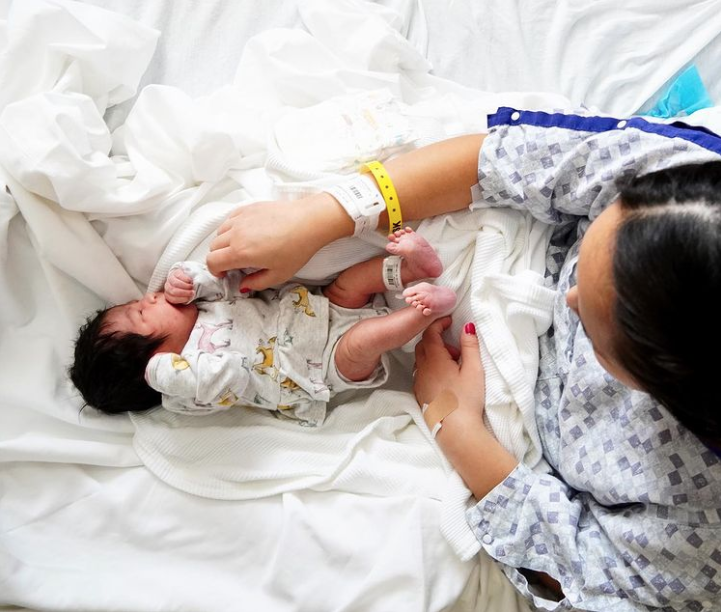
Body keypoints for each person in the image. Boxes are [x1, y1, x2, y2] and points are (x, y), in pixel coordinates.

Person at [205, 107, 721, 611]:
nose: (570, 298)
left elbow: (582, 568)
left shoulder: (697, 535)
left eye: (593, 322)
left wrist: (454, 426)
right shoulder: (684, 178)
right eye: (588, 266)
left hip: (508, 432)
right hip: (506, 243)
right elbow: (501, 161)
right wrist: (321, 216)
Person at [70, 229, 456, 424]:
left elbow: (231, 281)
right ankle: (424, 312)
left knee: (351, 283)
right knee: (362, 343)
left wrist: (188, 281)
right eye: (141, 313)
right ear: (156, 361)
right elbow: (234, 376)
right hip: (317, 366)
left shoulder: (198, 306)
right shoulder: (188, 393)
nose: (149, 298)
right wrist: (171, 377)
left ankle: (413, 268)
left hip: (313, 309)